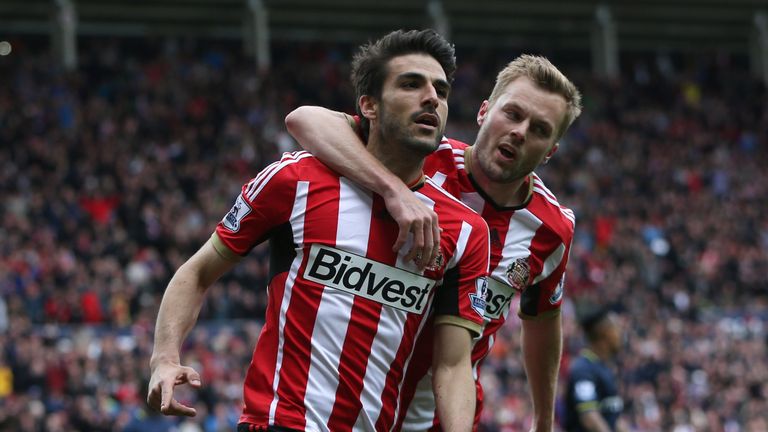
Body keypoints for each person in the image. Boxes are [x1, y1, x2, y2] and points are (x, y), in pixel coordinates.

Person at [146, 29, 491, 432]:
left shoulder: (466, 231)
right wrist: (164, 359)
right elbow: (197, 272)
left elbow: (453, 365)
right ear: (369, 105)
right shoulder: (294, 179)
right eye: (411, 84)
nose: (432, 97)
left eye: (441, 90)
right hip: (281, 423)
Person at [285, 54, 582, 431]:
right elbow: (306, 119)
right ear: (484, 111)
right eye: (512, 114)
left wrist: (543, 420)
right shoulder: (419, 156)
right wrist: (395, 190)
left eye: (539, 129)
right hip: (350, 409)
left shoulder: (552, 229)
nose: (520, 132)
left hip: (442, 418)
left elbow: (542, 320)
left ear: (551, 150)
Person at [562, 309, 627, 432]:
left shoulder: (604, 368)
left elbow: (614, 419)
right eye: (616, 328)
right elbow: (589, 417)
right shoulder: (583, 370)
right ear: (604, 332)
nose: (620, 334)